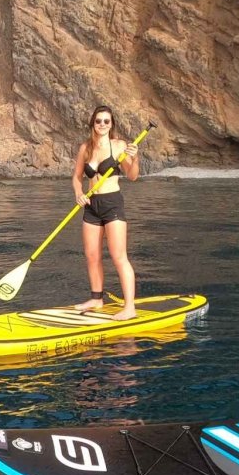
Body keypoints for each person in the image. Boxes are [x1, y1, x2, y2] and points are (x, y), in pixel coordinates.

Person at [72, 105, 140, 319]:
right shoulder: (86, 148)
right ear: (93, 123)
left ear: (112, 125)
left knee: (119, 256)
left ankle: (129, 307)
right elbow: (76, 177)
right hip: (92, 206)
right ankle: (97, 298)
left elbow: (132, 176)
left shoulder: (120, 146)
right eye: (98, 120)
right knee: (91, 256)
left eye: (106, 121)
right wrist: (78, 193)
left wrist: (134, 158)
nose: (102, 124)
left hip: (112, 203)